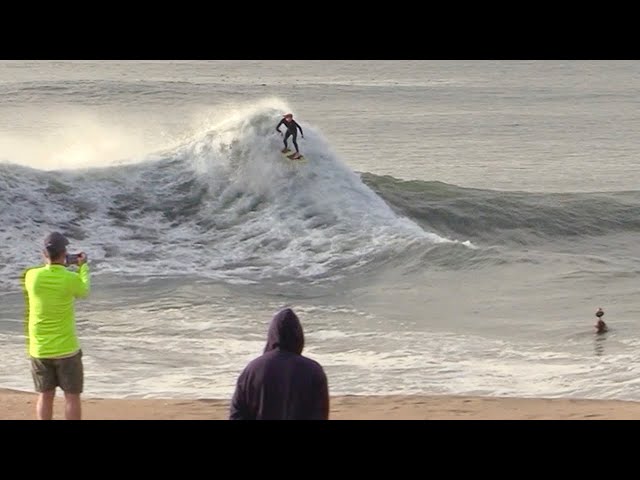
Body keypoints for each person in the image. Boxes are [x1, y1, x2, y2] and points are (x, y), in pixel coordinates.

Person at [21, 232, 90, 420]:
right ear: (64, 253)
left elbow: (49, 271)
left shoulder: (31, 276)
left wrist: (57, 265)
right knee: (72, 397)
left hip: (40, 349)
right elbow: (84, 291)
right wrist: (82, 267)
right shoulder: (70, 279)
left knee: (45, 395)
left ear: (44, 254)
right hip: (67, 349)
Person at [229, 307, 329, 420]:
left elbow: (237, 413)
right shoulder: (313, 370)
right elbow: (319, 415)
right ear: (298, 336)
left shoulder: (252, 369)